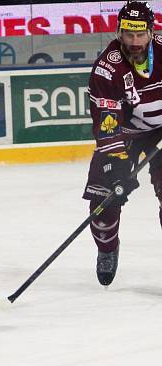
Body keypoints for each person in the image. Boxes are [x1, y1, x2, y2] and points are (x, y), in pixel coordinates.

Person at [84, 1, 162, 286]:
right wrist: (117, 166)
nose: (135, 41)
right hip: (124, 134)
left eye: (140, 34)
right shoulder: (107, 68)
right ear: (118, 32)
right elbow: (107, 123)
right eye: (128, 34)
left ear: (152, 32)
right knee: (103, 202)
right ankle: (107, 249)